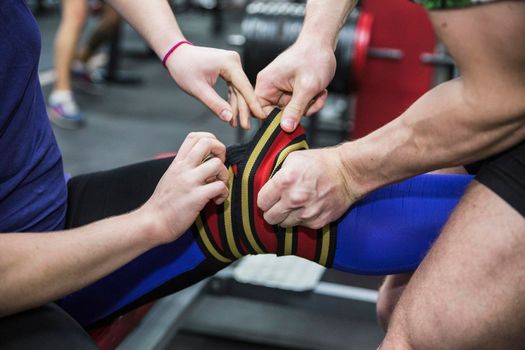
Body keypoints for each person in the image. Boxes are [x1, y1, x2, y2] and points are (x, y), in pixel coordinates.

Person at [255, 0, 525, 348]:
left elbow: (502, 98)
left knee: (421, 338)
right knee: (395, 303)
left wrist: (347, 170)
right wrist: (314, 41)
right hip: (508, 83)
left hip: (507, 96)